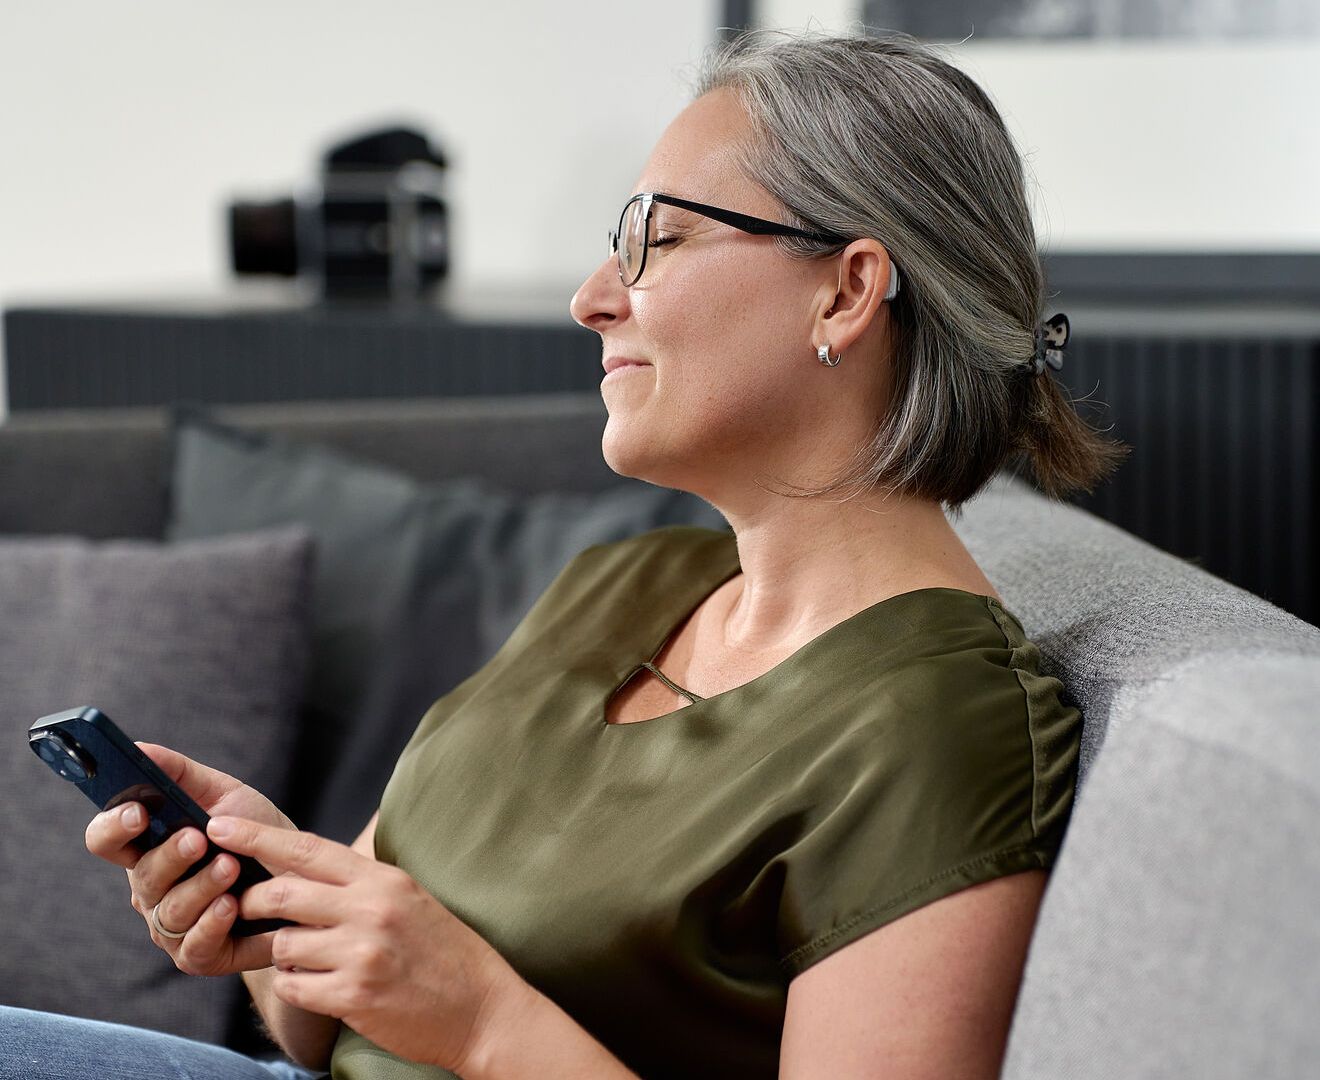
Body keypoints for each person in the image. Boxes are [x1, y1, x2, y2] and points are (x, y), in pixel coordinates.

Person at [1, 28, 1127, 1080]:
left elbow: (448, 1001)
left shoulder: (944, 728)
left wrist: (486, 1019)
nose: (593, 301)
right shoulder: (626, 585)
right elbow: (336, 1028)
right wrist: (277, 912)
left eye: (657, 238)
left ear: (845, 291)